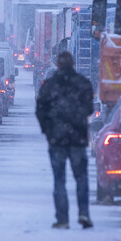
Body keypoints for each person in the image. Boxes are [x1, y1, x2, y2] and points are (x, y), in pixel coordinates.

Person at [35, 51, 95, 229]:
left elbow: (40, 110)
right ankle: (83, 213)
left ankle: (62, 219)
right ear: (73, 64)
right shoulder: (83, 84)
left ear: (58, 65)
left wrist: (48, 130)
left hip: (56, 139)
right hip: (77, 138)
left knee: (59, 179)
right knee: (81, 178)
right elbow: (89, 109)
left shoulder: (49, 85)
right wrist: (77, 119)